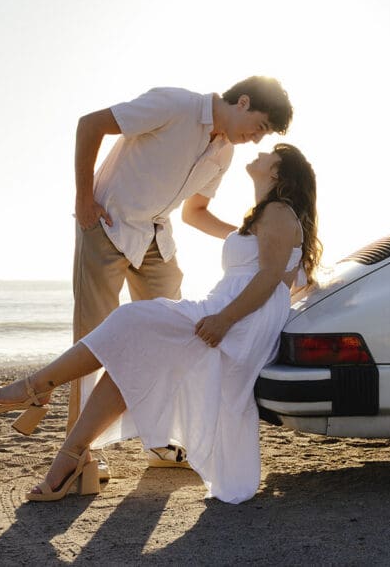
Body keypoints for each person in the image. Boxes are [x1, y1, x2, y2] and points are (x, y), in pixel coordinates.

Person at [0, 143, 321, 503]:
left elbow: (268, 280)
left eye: (271, 153)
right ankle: (68, 456)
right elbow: (282, 278)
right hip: (228, 312)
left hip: (234, 322)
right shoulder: (267, 215)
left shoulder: (280, 212)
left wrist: (223, 320)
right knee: (132, 358)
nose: (260, 152)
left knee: (130, 320)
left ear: (279, 173)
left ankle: (31, 391)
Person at [71, 77, 293, 470]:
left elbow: (195, 213)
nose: (256, 139)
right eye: (259, 127)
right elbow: (90, 124)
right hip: (107, 223)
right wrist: (84, 199)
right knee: (95, 336)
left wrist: (253, 240)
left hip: (156, 239)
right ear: (243, 102)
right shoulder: (173, 105)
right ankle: (79, 453)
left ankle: (159, 440)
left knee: (172, 336)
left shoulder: (222, 153)